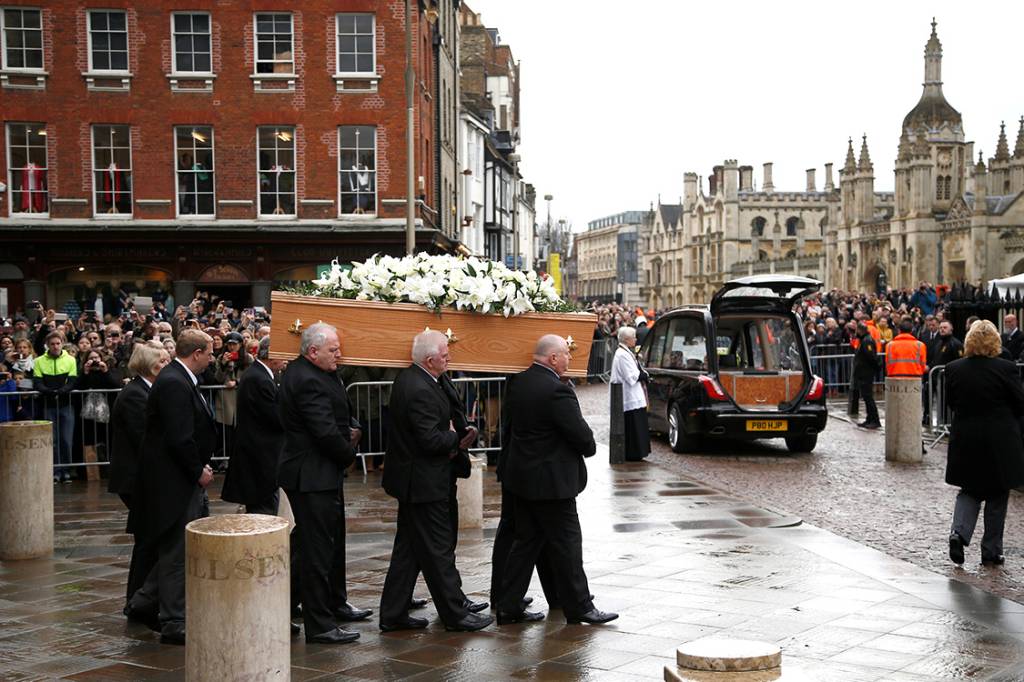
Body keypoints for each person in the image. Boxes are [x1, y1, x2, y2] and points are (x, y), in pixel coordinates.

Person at [496, 335, 617, 626]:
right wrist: (588, 446)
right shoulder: (556, 391)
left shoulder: (519, 382)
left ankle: (508, 604)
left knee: (525, 544)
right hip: (552, 484)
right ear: (552, 358)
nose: (569, 359)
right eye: (565, 354)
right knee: (568, 545)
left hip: (523, 480)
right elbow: (581, 436)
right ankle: (581, 607)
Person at [378, 330, 492, 633]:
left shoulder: (419, 379)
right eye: (444, 355)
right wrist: (458, 437)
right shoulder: (419, 389)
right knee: (437, 548)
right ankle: (455, 614)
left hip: (418, 480)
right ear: (430, 360)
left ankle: (393, 612)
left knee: (409, 550)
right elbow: (429, 440)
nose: (450, 357)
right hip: (423, 483)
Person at [277, 323, 367, 645]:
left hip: (318, 473)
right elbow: (324, 430)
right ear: (313, 351)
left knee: (312, 548)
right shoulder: (305, 380)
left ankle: (287, 608)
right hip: (311, 474)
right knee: (316, 551)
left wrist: (351, 431)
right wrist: (348, 452)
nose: (339, 355)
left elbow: (337, 415)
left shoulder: (317, 373)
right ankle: (320, 625)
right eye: (333, 350)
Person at [126, 329, 216, 645]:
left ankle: (143, 600)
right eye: (209, 352)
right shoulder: (175, 382)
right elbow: (179, 437)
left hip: (178, 479)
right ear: (197, 353)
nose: (212, 358)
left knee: (177, 548)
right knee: (177, 551)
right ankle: (174, 620)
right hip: (174, 482)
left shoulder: (180, 378)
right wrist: (197, 471)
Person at [945, 320, 1024, 567]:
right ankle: (991, 550)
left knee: (969, 490)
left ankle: (959, 533)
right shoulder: (1006, 368)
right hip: (999, 439)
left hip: (966, 437)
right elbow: (1019, 403)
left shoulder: (954, 368)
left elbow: (951, 402)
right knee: (997, 494)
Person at [110, 343, 169, 614]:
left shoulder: (144, 390)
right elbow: (143, 437)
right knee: (147, 539)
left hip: (141, 476)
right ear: (152, 366)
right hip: (134, 478)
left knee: (148, 539)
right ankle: (137, 599)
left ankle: (139, 598)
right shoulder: (135, 394)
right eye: (164, 362)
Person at [221, 337, 286, 514]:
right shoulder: (259, 379)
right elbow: (274, 418)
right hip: (259, 459)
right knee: (264, 512)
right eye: (283, 355)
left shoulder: (259, 375)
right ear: (272, 356)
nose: (286, 360)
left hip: (260, 456)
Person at [33, 331, 77, 483]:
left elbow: (72, 382)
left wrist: (60, 391)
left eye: (58, 343)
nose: (55, 346)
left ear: (62, 343)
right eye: (52, 344)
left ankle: (67, 470)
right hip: (49, 405)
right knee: (53, 440)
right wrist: (50, 392)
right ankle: (56, 471)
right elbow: (37, 382)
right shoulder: (39, 361)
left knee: (66, 439)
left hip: (66, 404)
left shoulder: (71, 360)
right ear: (48, 345)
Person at [610, 326, 650, 461]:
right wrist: (644, 376)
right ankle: (633, 453)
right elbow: (631, 376)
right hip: (629, 396)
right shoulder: (622, 355)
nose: (636, 339)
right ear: (627, 339)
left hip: (634, 395)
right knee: (633, 427)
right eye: (634, 337)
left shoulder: (626, 352)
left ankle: (638, 452)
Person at [852, 323, 881, 430]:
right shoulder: (864, 340)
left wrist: (875, 367)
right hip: (863, 372)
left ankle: (874, 420)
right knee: (866, 397)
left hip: (866, 373)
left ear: (860, 330)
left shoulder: (867, 340)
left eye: (857, 331)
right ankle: (869, 418)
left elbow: (871, 356)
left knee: (868, 397)